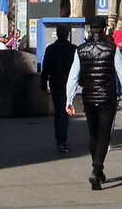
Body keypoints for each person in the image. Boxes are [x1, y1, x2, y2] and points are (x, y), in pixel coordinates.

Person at [65, 17, 122, 192]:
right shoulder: (112, 49)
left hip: (88, 98)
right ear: (104, 30)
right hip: (107, 98)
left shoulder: (81, 50)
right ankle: (96, 168)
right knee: (104, 135)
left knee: (93, 134)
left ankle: (98, 169)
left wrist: (69, 99)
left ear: (90, 30)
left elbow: (73, 76)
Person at [42, 26, 78, 155]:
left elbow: (45, 68)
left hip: (56, 84)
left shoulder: (50, 49)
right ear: (67, 34)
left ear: (56, 34)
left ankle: (60, 139)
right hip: (69, 84)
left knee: (59, 112)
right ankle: (62, 140)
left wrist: (42, 85)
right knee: (65, 111)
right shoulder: (73, 49)